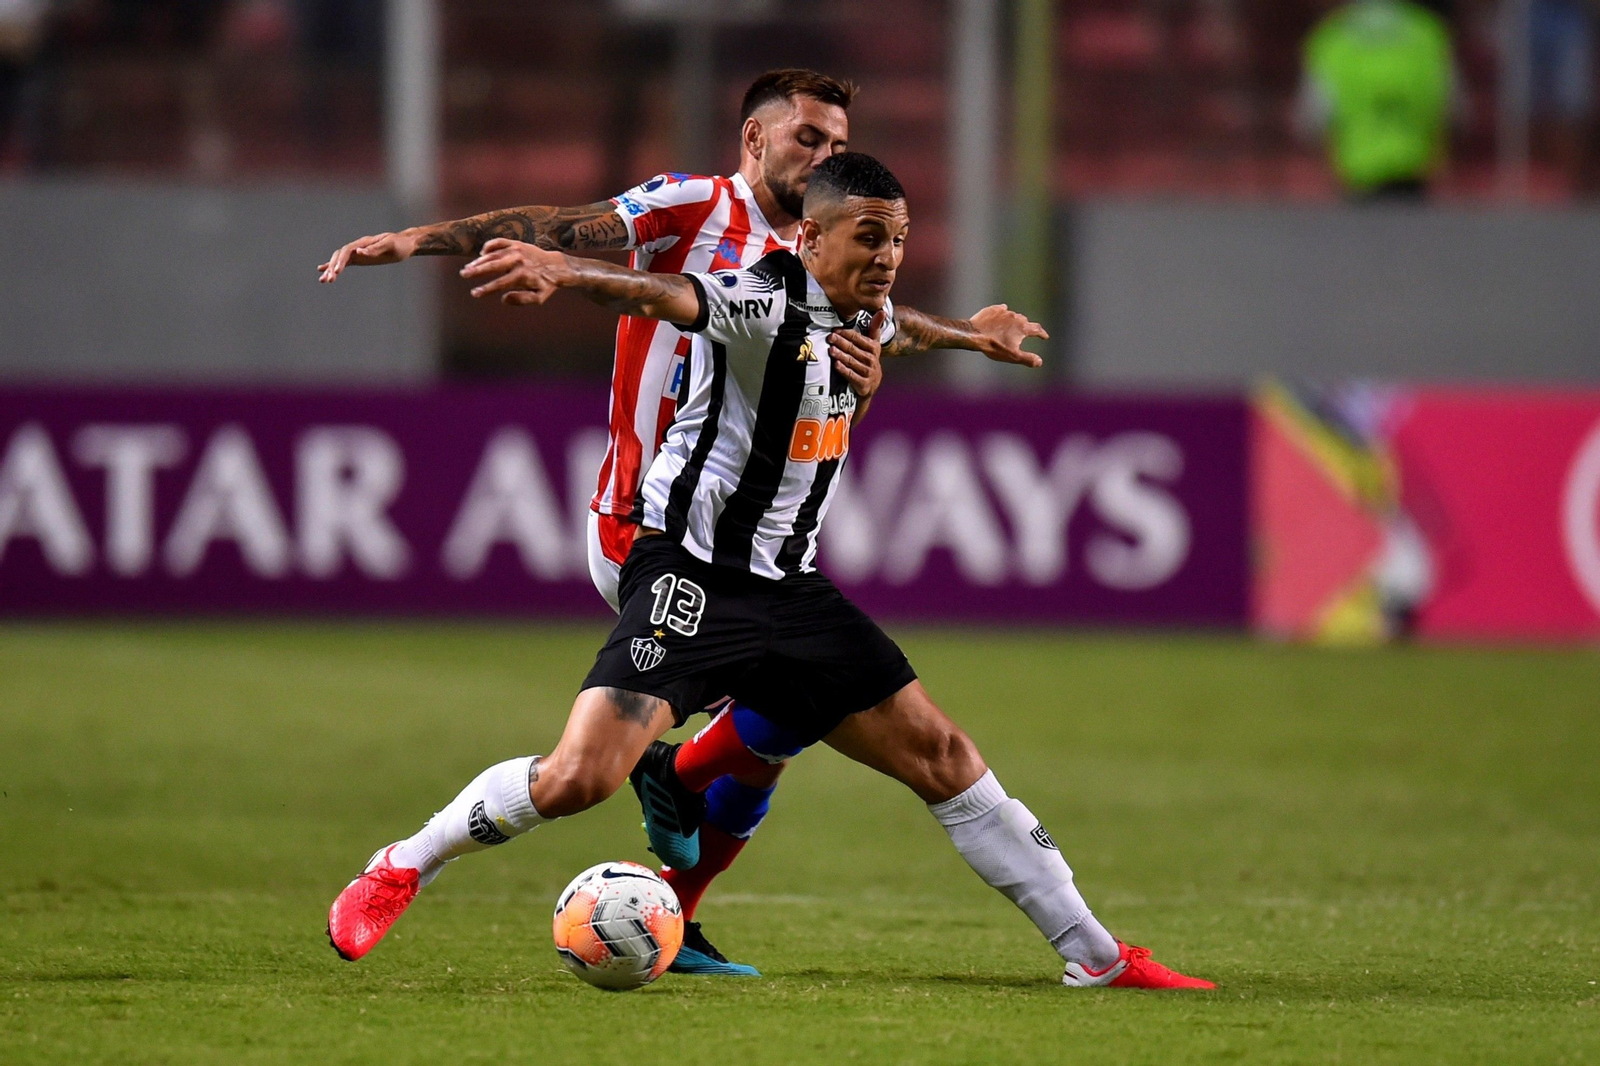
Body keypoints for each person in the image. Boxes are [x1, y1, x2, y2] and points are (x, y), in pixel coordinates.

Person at [327, 151, 1211, 990]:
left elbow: (903, 330)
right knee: (580, 778)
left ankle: (1094, 955)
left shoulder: (867, 314)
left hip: (793, 591)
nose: (890, 256)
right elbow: (666, 293)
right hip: (692, 578)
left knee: (945, 756)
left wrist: (973, 337)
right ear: (812, 238)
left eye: (899, 238)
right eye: (870, 237)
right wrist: (569, 274)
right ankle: (403, 865)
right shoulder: (758, 298)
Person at [1297, 0, 1458, 199]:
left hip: (1357, 175)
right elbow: (1454, 111)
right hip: (1415, 172)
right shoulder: (1429, 34)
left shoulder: (1330, 41)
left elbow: (1313, 120)